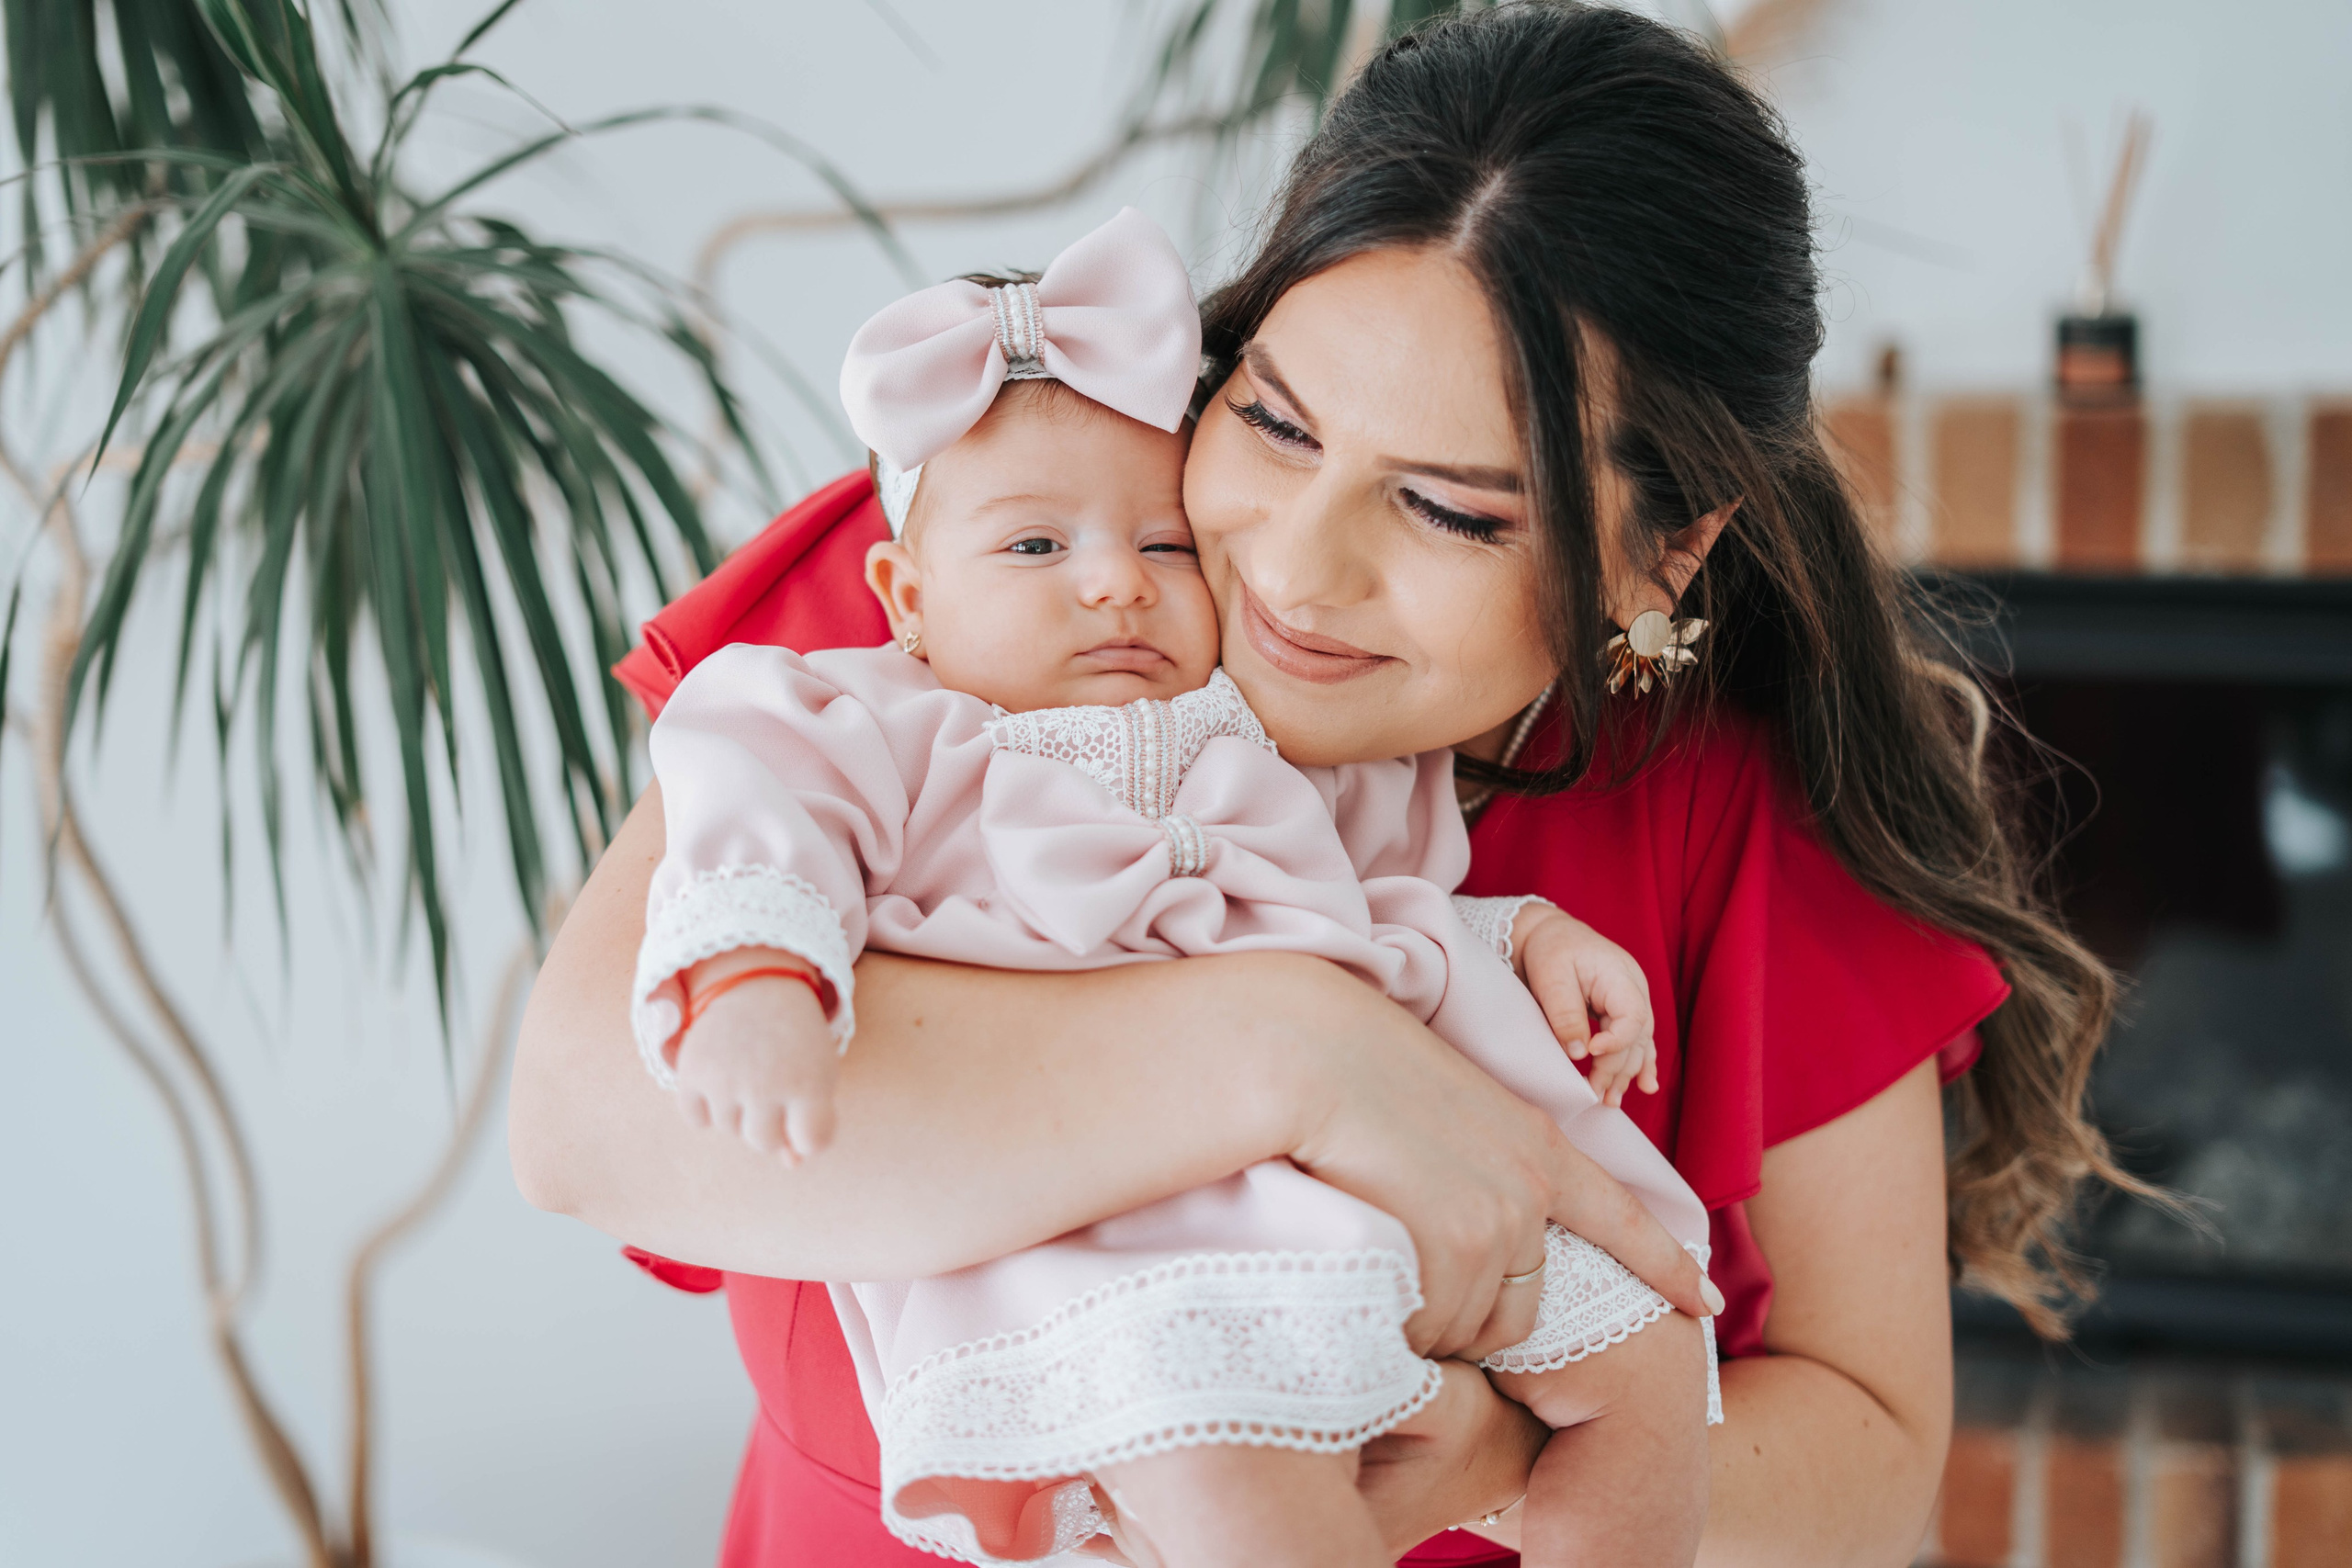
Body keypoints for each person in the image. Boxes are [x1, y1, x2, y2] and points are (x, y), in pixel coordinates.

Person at [510, 7, 2125, 1564]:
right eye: (1271, 423)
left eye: (1451, 512)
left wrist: (1495, 1455)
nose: (1293, 567)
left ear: (1664, 553)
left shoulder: (1736, 801)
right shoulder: (984, 574)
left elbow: (1871, 1449)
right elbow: (590, 1117)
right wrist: (1299, 1053)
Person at [636, 205, 1714, 1567]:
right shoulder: (885, 726)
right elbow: (750, 818)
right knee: (1239, 1486)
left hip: (1379, 1182)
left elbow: (1377, 909)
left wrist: (1525, 938)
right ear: (904, 598)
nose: (1113, 589)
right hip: (1096, 1228)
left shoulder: (1266, 730)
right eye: (1035, 550)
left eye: (1160, 548)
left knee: (1653, 1362)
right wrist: (755, 977)